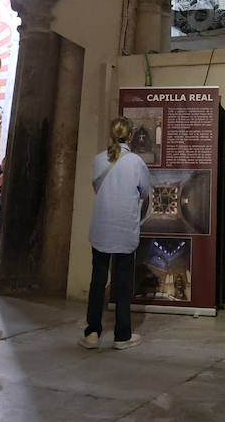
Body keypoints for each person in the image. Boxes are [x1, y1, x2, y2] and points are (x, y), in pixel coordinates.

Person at [80, 116, 152, 351]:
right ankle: (122, 335)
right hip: (124, 229)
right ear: (130, 136)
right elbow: (144, 193)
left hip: (101, 228)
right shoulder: (136, 162)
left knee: (97, 281)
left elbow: (96, 187)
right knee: (122, 283)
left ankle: (92, 333)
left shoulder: (99, 159)